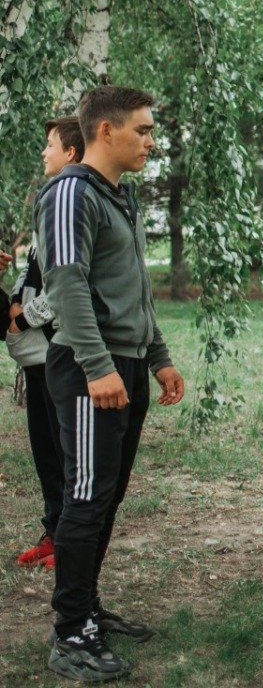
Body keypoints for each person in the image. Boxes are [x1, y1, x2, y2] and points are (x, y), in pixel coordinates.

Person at [36, 86, 185, 682]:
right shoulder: (70, 191)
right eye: (143, 130)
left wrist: (159, 356)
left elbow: (130, 288)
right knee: (86, 498)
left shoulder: (115, 195)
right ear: (105, 131)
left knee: (106, 497)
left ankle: (87, 609)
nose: (151, 141)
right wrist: (98, 367)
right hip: (88, 368)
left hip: (123, 366)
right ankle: (70, 632)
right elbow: (67, 284)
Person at [8, 116, 86, 571]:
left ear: (72, 153)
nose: (44, 152)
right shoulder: (48, 202)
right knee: (44, 447)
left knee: (65, 447)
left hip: (64, 350)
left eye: (50, 145)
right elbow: (36, 267)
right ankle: (54, 530)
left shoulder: (69, 206)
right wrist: (17, 299)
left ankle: (71, 539)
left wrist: (25, 317)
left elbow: (68, 285)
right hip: (40, 356)